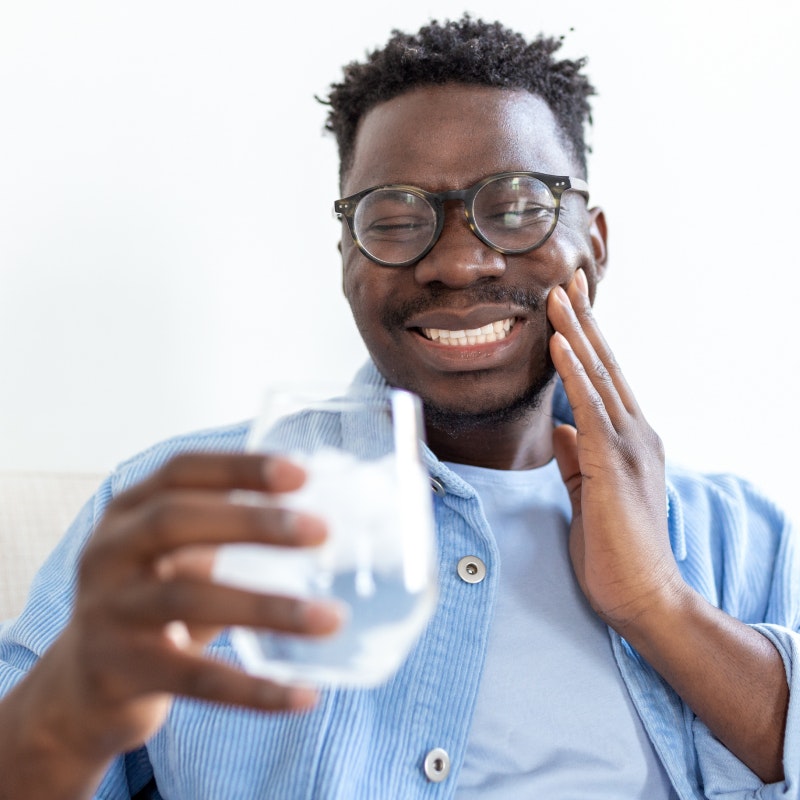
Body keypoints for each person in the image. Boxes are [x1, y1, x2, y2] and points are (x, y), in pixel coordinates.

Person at [0, 14, 797, 799]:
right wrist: (75, 701)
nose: (457, 262)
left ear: (595, 242)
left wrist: (659, 603)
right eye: (396, 218)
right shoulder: (186, 506)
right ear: (347, 259)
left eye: (517, 207)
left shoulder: (745, 538)